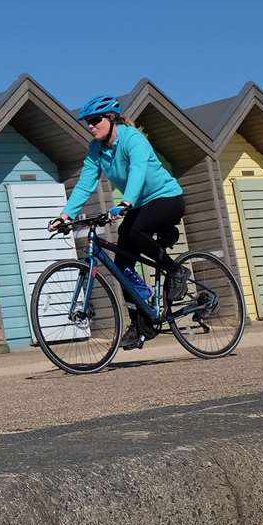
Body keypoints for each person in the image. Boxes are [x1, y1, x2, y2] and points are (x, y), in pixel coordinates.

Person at [47, 95, 184, 349]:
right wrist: (64, 216)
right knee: (122, 264)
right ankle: (140, 324)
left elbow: (138, 171)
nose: (90, 126)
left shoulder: (132, 139)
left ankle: (176, 270)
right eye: (87, 122)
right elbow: (85, 184)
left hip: (166, 198)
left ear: (110, 118)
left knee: (134, 230)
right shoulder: (96, 150)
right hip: (139, 205)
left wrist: (125, 202)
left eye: (95, 120)